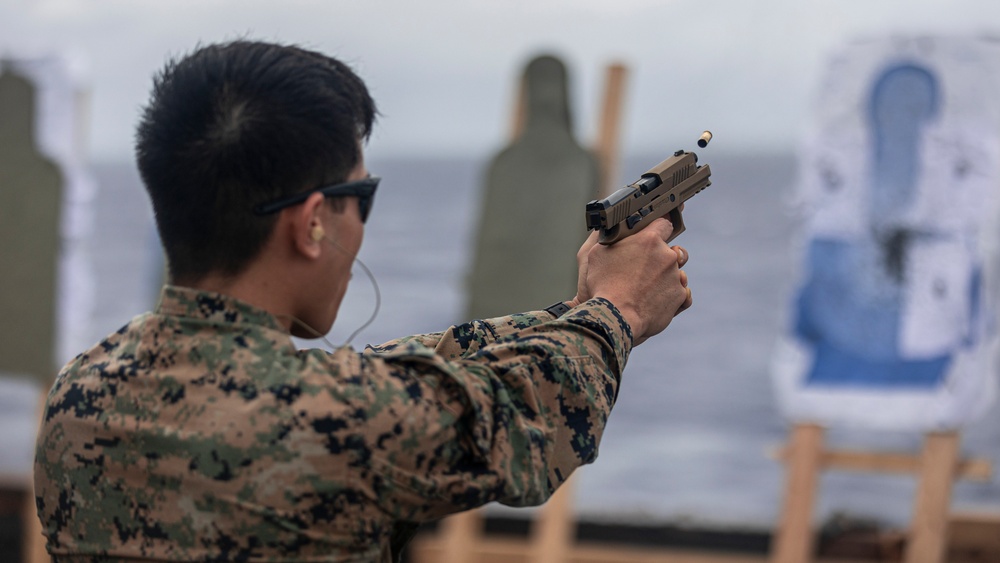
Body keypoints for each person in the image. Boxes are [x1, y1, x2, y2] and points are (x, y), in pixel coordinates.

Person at [33, 40, 692, 562]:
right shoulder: (344, 419)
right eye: (362, 196)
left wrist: (569, 313)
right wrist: (617, 312)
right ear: (313, 221)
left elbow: (392, 371)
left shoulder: (81, 390)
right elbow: (529, 417)